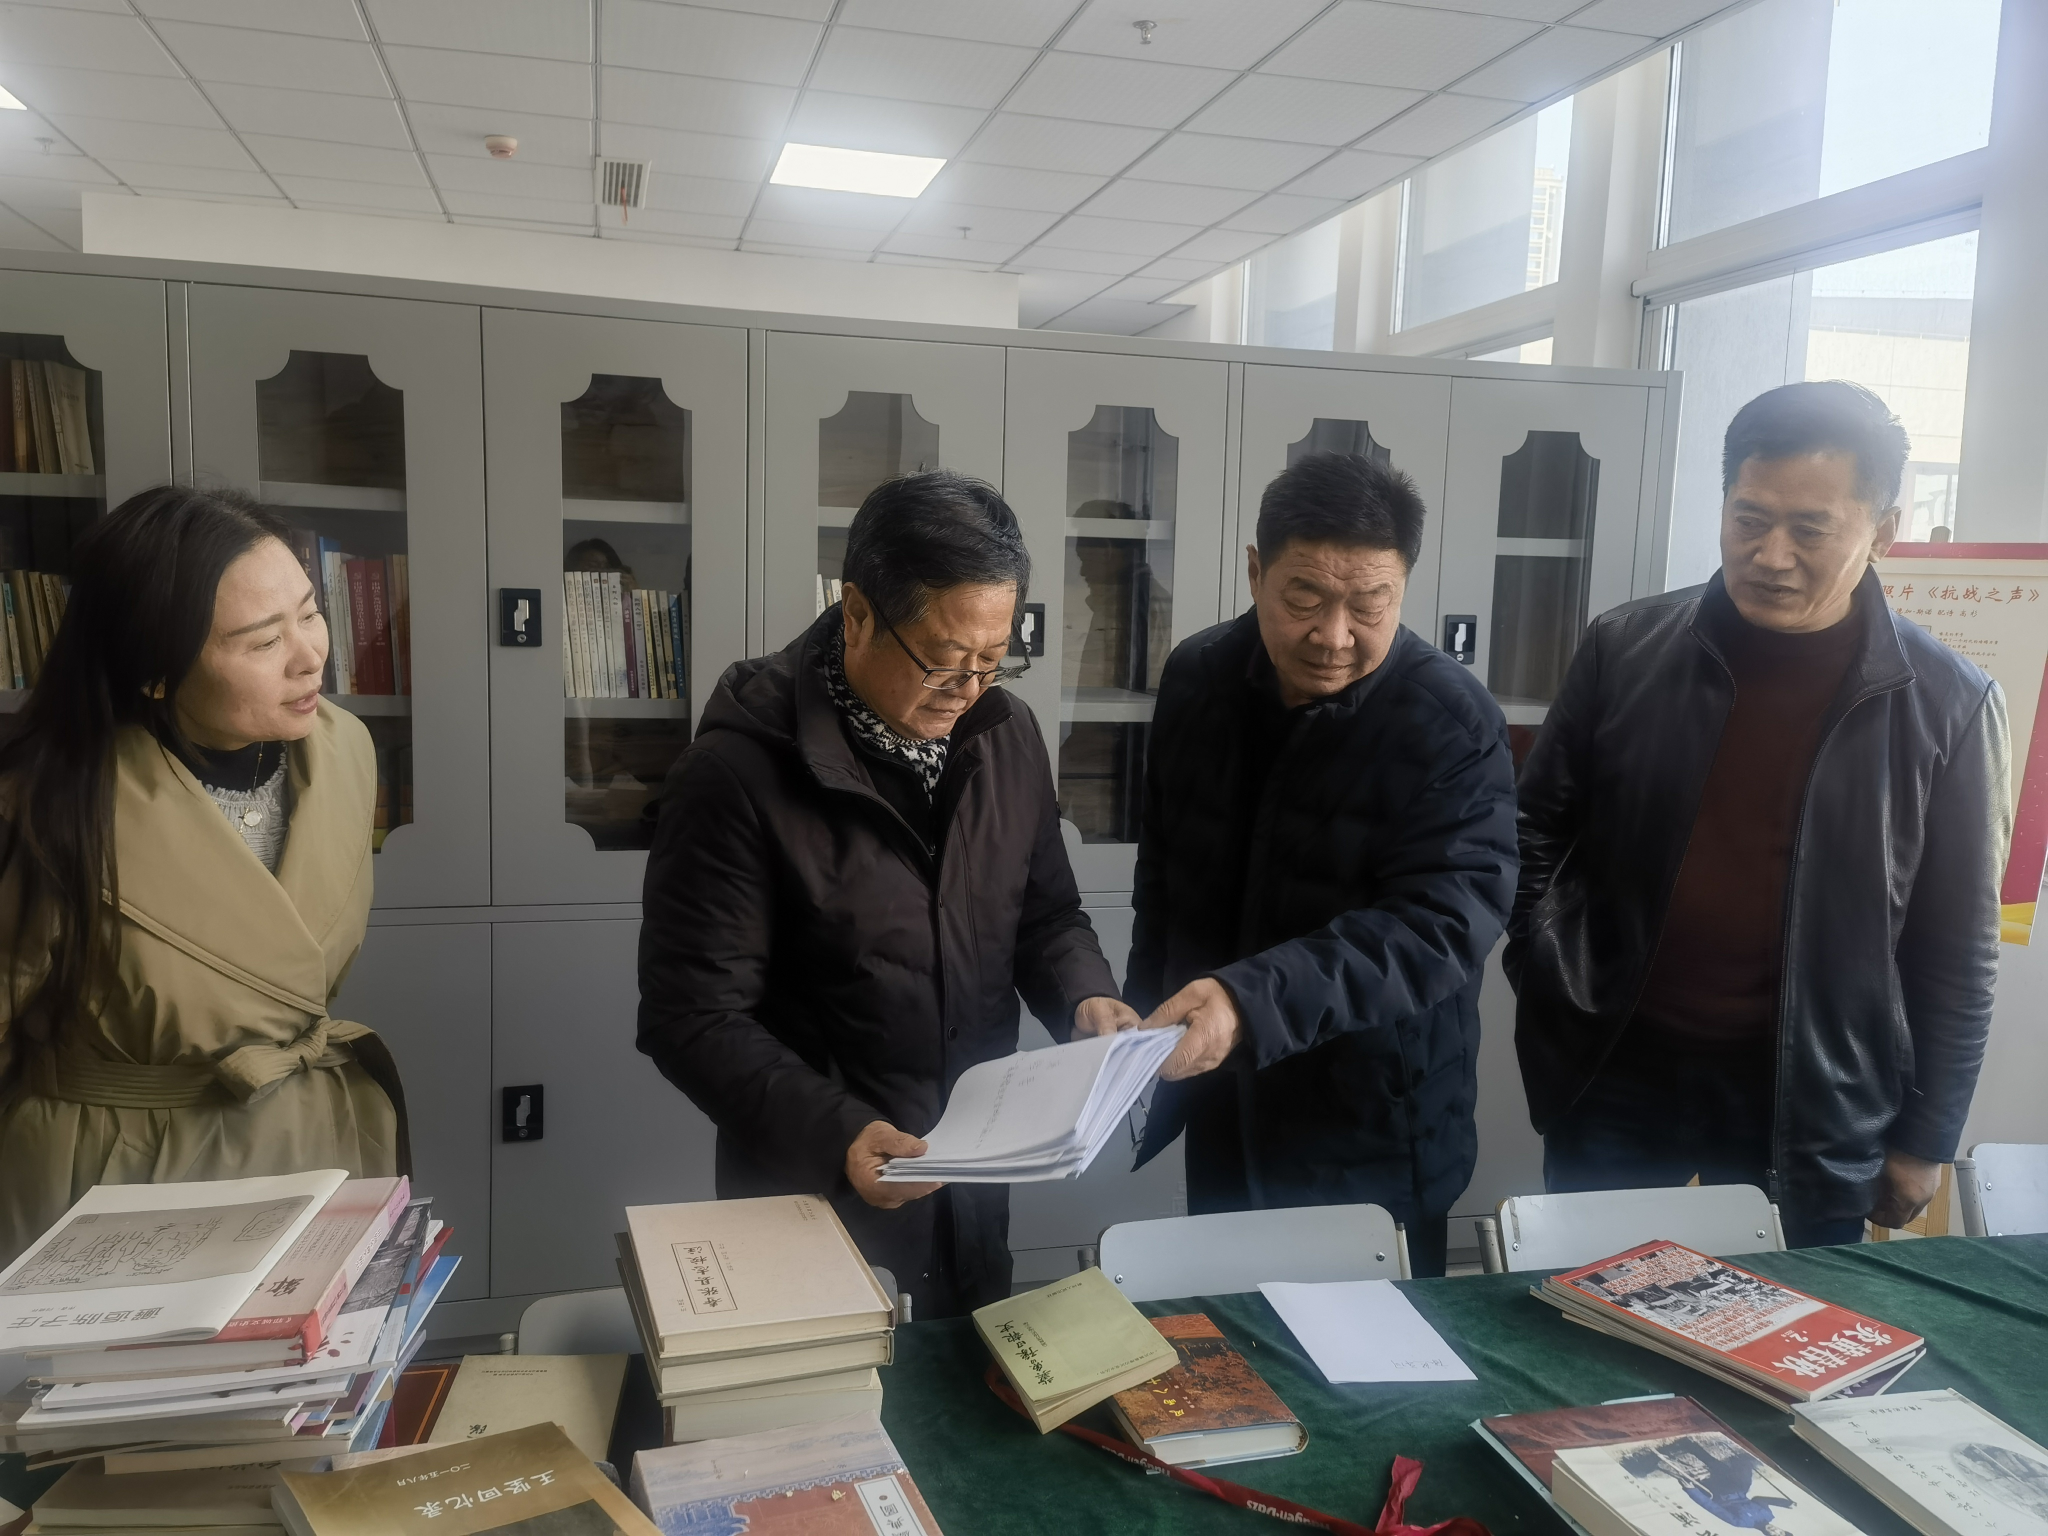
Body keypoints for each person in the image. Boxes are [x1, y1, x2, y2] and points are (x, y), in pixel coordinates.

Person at [1508, 381, 2009, 1245]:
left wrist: (1926, 1137)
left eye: (1810, 529)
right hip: (1620, 1068)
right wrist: (1550, 968)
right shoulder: (1625, 650)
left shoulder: (1949, 705)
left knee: (1789, 1318)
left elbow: (1958, 949)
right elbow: (1533, 833)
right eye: (1749, 519)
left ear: (1883, 531)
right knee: (1590, 1297)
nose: (1770, 555)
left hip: (1814, 1098)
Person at [637, 472, 1134, 1318]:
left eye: (993, 662)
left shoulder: (1005, 735)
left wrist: (1085, 997)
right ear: (858, 614)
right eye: (944, 662)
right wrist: (840, 1132)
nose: (968, 691)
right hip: (814, 1195)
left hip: (971, 1185)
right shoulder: (736, 774)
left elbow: (1047, 914)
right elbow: (692, 1017)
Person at [1111, 452, 1519, 1277]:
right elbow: (1167, 873)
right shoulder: (1199, 678)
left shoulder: (1449, 720)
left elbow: (1441, 925)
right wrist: (1138, 1016)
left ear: (1403, 586)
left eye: (1370, 605)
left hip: (1375, 1117)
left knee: (1369, 1346)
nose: (1335, 637)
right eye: (1304, 599)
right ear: (1255, 571)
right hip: (1224, 1092)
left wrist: (1247, 1002)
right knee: (1229, 1325)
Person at [0, 487, 406, 1268]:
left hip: (313, 1152)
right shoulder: (48, 803)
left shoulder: (345, 749)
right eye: (263, 641)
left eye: (310, 612)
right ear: (156, 673)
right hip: (119, 1188)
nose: (310, 655)